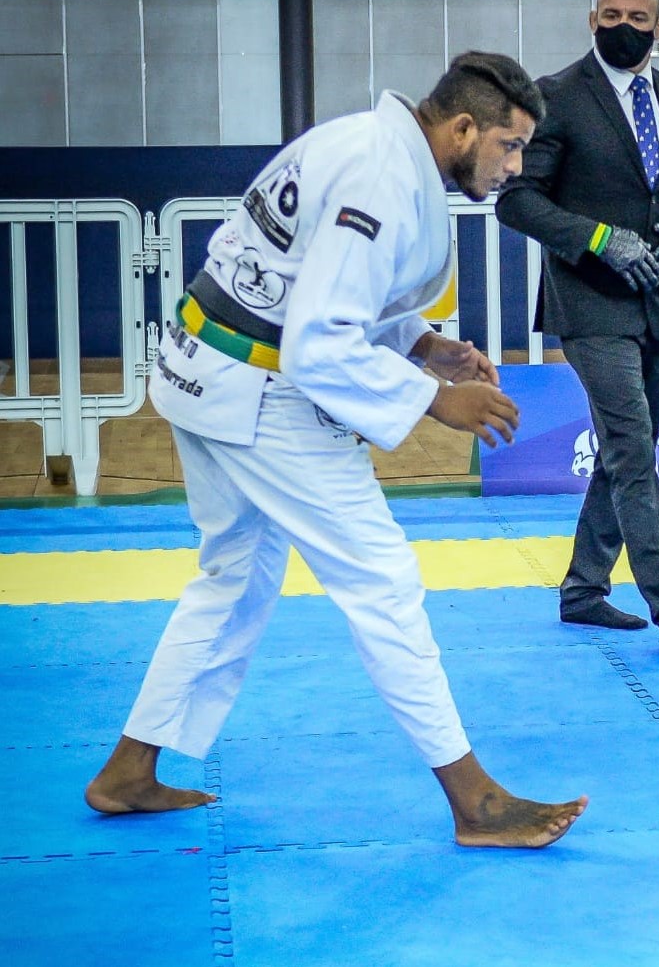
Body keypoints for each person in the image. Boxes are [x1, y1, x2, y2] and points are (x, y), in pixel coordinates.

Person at [85, 52, 588, 849]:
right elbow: (318, 341)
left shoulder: (365, 142)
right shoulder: (382, 178)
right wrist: (435, 399)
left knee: (235, 578)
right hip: (258, 390)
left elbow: (312, 279)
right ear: (463, 129)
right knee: (382, 579)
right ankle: (476, 803)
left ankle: (129, 770)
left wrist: (422, 344)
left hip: (203, 364)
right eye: (509, 145)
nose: (514, 167)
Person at [496, 0, 659, 652]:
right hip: (590, 301)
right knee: (630, 446)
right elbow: (517, 200)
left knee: (628, 450)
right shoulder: (556, 96)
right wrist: (599, 238)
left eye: (638, 17)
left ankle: (583, 589)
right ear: (592, 20)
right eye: (612, 15)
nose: (625, 26)